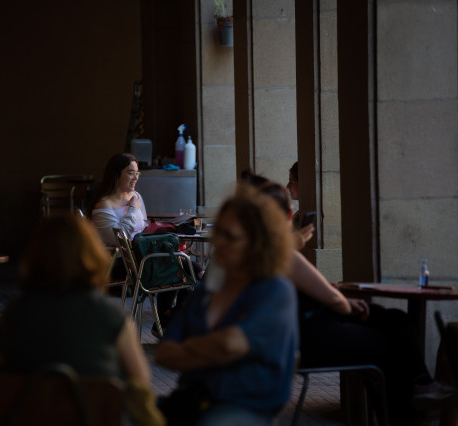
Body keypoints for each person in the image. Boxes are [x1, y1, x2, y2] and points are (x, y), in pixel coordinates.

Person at [248, 171, 456, 425]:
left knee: (393, 319)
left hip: (292, 337)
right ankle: (411, 406)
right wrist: (347, 306)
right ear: (283, 218)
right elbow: (332, 299)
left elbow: (312, 288)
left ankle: (420, 389)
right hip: (308, 338)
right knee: (388, 343)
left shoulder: (254, 255)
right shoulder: (280, 254)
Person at [0, 214, 164, 426]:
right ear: (91, 255)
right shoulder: (111, 316)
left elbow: (5, 369)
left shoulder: (15, 313)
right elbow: (141, 381)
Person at [154, 184, 298, 426]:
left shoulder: (275, 290)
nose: (218, 241)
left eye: (230, 236)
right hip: (191, 400)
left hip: (244, 406)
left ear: (258, 242)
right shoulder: (211, 288)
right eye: (218, 231)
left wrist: (188, 348)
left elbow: (231, 344)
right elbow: (163, 352)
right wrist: (220, 353)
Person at [91, 152, 197, 336]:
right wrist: (132, 209)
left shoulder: (136, 196)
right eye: (131, 173)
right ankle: (167, 320)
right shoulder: (104, 205)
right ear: (116, 174)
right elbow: (119, 237)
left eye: (137, 173)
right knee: (187, 267)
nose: (136, 178)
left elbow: (144, 228)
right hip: (122, 262)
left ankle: (167, 318)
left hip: (145, 257)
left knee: (189, 268)